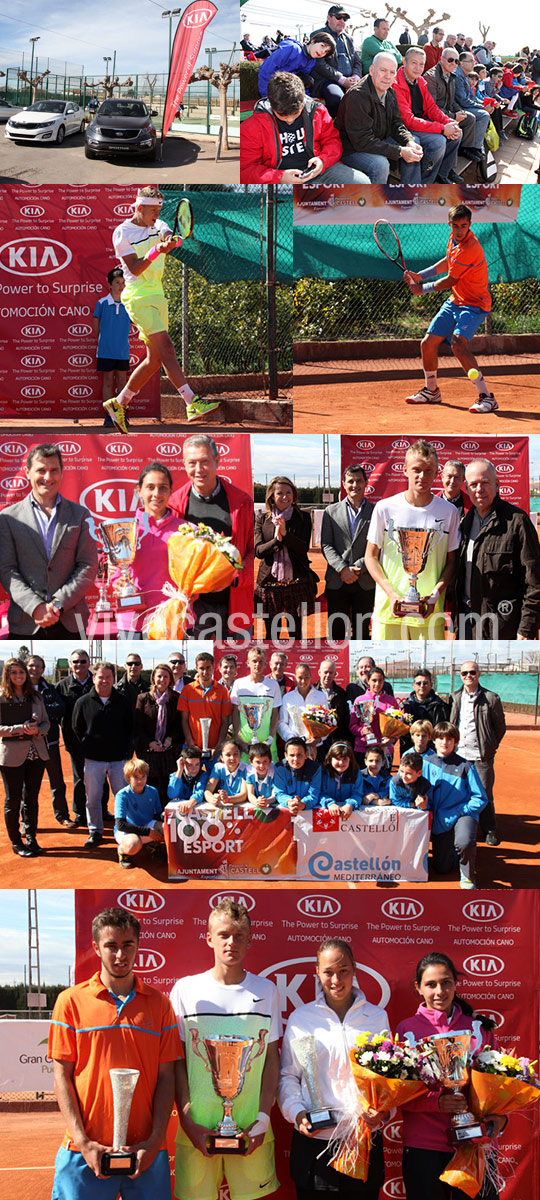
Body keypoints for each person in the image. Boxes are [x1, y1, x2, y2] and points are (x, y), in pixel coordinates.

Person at [48, 905, 181, 1199]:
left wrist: (155, 1139)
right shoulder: (69, 1002)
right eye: (111, 946)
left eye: (127, 945)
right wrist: (83, 1142)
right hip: (83, 1152)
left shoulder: (160, 1004)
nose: (120, 955)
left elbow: (166, 1077)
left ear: (137, 946)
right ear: (96, 947)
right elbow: (62, 1076)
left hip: (146, 1152)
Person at [171, 899, 281, 1200]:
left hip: (250, 1129)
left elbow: (272, 1060)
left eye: (239, 935)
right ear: (209, 938)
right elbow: (177, 1060)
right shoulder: (185, 990)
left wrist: (263, 1118)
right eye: (223, 935)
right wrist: (187, 1117)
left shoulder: (267, 990)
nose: (231, 942)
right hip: (195, 1129)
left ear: (249, 940)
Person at [278, 937, 389, 1200]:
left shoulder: (376, 1017)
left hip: (363, 1139)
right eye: (328, 972)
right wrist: (297, 1113)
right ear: (317, 972)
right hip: (315, 1144)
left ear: (354, 970)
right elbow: (288, 1076)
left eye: (343, 971)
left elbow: (388, 1077)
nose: (336, 980)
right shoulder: (301, 1018)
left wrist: (384, 1112)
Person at [106, 185, 219, 430]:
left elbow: (167, 233)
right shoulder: (122, 232)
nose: (157, 214)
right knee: (167, 346)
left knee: (155, 359)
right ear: (139, 207)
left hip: (158, 295)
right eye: (153, 209)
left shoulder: (158, 224)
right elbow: (135, 268)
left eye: (159, 208)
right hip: (137, 296)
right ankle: (191, 401)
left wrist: (170, 240)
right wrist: (157, 250)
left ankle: (120, 402)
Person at [396, 951, 503, 1200]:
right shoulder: (407, 1030)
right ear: (418, 988)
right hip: (425, 1147)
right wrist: (436, 1102)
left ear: (456, 983)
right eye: (430, 984)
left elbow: (499, 1084)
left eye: (446, 983)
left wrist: (499, 1117)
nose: (439, 991)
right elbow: (397, 1093)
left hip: (476, 1144)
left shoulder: (479, 1028)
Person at [365, 440, 460, 640]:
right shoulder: (384, 508)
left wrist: (435, 593)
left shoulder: (449, 512)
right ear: (406, 470)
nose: (422, 476)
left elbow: (452, 561)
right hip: (388, 610)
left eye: (428, 470)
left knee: (429, 669)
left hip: (429, 612)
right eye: (417, 469)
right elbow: (370, 557)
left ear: (437, 474)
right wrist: (391, 593)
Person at [404, 206, 495, 412]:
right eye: (455, 226)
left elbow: (451, 279)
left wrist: (422, 288)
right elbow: (447, 262)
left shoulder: (470, 247)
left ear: (470, 225)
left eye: (464, 226)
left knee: (458, 345)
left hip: (474, 304)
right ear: (450, 225)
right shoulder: (453, 240)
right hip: (456, 300)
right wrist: (420, 275)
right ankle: (431, 391)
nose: (460, 230)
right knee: (427, 344)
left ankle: (487, 397)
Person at [0, 443, 97, 638]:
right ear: (27, 472)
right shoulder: (8, 517)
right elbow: (7, 569)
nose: (47, 477)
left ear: (62, 473)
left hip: (70, 621)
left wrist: (58, 603)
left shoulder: (79, 515)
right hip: (26, 621)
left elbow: (88, 565)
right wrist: (35, 606)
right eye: (41, 470)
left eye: (54, 470)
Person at [169, 435, 254, 640]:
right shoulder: (174, 504)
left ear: (217, 461)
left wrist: (234, 579)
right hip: (194, 609)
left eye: (205, 461)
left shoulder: (242, 502)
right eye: (192, 463)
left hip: (235, 605)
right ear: (184, 465)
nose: (198, 470)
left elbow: (254, 551)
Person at [455, 458, 540, 640]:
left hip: (503, 624)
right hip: (467, 623)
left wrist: (526, 628)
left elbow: (534, 580)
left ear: (497, 484)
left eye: (485, 483)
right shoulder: (464, 524)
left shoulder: (517, 522)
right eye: (474, 484)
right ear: (467, 489)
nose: (479, 489)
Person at [241, 72, 370, 185]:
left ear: (303, 101)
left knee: (362, 182)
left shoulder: (318, 111)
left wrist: (322, 161)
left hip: (319, 172)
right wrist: (278, 177)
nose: (290, 120)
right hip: (277, 179)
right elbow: (245, 169)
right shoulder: (251, 127)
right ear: (271, 104)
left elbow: (332, 141)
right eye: (282, 116)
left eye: (295, 114)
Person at [114, 461, 180, 637]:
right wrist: (118, 584)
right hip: (132, 621)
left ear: (170, 491)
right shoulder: (124, 531)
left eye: (163, 488)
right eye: (150, 487)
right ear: (139, 490)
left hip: (171, 621)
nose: (156, 494)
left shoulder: (187, 530)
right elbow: (115, 575)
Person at [335, 53, 424, 184]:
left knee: (414, 143)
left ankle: (410, 193)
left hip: (377, 138)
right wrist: (399, 151)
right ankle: (375, 201)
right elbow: (362, 141)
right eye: (383, 70)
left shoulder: (390, 91)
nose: (388, 77)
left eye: (392, 72)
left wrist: (408, 141)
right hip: (351, 148)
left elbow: (397, 123)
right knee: (380, 165)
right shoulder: (357, 96)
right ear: (371, 70)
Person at [72, 662, 133, 850]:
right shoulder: (83, 702)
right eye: (101, 677)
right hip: (93, 761)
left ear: (113, 679)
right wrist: (89, 748)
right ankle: (95, 831)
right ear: (93, 678)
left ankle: (124, 830)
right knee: (93, 798)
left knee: (122, 797)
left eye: (108, 677)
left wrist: (126, 753)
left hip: (118, 760)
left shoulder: (122, 701)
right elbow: (77, 728)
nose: (104, 680)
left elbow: (130, 728)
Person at [423, 721, 487, 888]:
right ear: (434, 740)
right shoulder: (425, 763)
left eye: (450, 739)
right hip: (439, 820)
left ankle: (468, 874)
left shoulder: (466, 766)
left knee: (464, 842)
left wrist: (461, 811)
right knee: (442, 868)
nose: (445, 742)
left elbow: (480, 798)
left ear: (455, 742)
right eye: (441, 738)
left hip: (461, 815)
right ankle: (455, 852)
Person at [255, 474, 317, 640]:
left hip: (296, 583)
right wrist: (277, 540)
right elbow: (258, 551)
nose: (285, 497)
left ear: (294, 495)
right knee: (272, 634)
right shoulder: (262, 519)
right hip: (269, 584)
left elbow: (303, 548)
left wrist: (285, 534)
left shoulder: (303, 517)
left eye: (288, 492)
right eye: (280, 493)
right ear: (272, 497)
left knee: (295, 634)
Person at [450, 661, 506, 845]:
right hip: (459, 755)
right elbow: (452, 722)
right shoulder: (455, 697)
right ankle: (461, 828)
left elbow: (500, 728)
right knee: (459, 791)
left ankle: (489, 829)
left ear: (479, 674)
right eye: (464, 672)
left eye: (472, 672)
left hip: (482, 757)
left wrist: (490, 746)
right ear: (460, 675)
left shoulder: (491, 698)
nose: (468, 676)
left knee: (484, 794)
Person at [0, 657, 50, 857]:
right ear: (7, 675)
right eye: (13, 672)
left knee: (31, 799)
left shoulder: (36, 697)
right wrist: (20, 729)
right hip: (11, 756)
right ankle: (16, 842)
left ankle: (31, 837)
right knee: (13, 800)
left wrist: (38, 730)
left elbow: (46, 723)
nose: (18, 676)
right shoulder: (2, 698)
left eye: (21, 672)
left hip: (35, 754)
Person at [321, 464, 376, 640]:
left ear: (366, 483)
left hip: (365, 580)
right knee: (336, 633)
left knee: (362, 633)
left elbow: (378, 545)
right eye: (350, 481)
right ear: (344, 484)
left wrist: (359, 567)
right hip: (337, 580)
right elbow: (326, 545)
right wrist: (343, 569)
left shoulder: (377, 511)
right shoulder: (331, 511)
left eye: (359, 480)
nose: (355, 485)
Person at [393, 48, 463, 184]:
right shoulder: (396, 84)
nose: (418, 68)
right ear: (404, 61)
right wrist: (443, 129)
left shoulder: (420, 81)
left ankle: (439, 174)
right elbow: (408, 120)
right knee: (438, 141)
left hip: (420, 122)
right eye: (414, 63)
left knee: (457, 133)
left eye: (421, 64)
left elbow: (431, 108)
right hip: (403, 127)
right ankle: (420, 183)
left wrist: (449, 122)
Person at [27, 653, 73, 828]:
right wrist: (45, 714)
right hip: (27, 746)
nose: (35, 669)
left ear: (43, 669)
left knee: (57, 782)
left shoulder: (50, 689)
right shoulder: (19, 689)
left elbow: (60, 708)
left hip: (50, 743)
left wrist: (40, 711)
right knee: (29, 786)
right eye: (32, 665)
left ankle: (62, 816)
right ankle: (27, 823)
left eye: (39, 666)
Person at [57, 650, 96, 828]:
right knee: (80, 777)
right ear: (70, 664)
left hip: (97, 741)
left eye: (82, 661)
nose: (79, 665)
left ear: (89, 662)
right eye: (75, 662)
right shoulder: (62, 686)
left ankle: (101, 810)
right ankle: (80, 813)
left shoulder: (98, 682)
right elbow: (58, 714)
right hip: (75, 742)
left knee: (98, 777)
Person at [135, 664, 181, 808]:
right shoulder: (143, 698)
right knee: (149, 787)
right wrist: (150, 743)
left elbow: (178, 725)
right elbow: (138, 726)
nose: (162, 679)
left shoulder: (176, 698)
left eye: (166, 676)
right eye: (159, 676)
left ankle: (165, 819)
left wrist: (169, 739)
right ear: (153, 678)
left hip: (168, 752)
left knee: (166, 788)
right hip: (148, 752)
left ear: (170, 679)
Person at [93, 267, 131, 426]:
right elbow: (96, 327)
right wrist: (105, 342)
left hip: (123, 352)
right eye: (117, 283)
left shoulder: (129, 303)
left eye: (123, 283)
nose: (120, 286)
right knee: (108, 382)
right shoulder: (102, 303)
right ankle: (109, 416)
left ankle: (121, 415)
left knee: (122, 382)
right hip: (105, 351)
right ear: (109, 284)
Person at [424, 49, 478, 160]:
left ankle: (465, 149)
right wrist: (453, 117)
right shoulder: (431, 77)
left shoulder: (451, 76)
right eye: (450, 60)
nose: (453, 63)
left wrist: (458, 111)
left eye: (456, 61)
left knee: (470, 118)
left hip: (447, 113)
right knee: (456, 131)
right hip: (433, 116)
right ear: (441, 59)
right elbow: (432, 108)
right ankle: (446, 169)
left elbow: (452, 100)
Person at [309, 6, 363, 117]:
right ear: (328, 18)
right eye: (339, 17)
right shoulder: (318, 35)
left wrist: (355, 77)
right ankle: (335, 128)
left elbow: (357, 61)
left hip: (351, 80)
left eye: (345, 19)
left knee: (369, 95)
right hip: (327, 80)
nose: (342, 21)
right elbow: (319, 64)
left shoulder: (349, 38)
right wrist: (342, 80)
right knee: (337, 99)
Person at [178, 651, 232, 759]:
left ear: (213, 668)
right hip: (192, 749)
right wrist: (191, 745)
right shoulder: (187, 690)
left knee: (215, 776)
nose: (205, 672)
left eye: (208, 668)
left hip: (214, 750)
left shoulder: (222, 691)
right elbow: (184, 720)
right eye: (202, 668)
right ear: (196, 668)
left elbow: (225, 721)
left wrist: (218, 746)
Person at [231, 647, 282, 759]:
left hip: (267, 745)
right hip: (244, 745)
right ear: (248, 663)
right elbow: (235, 713)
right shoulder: (239, 684)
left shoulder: (273, 685)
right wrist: (239, 739)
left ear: (265, 664)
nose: (257, 665)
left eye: (261, 662)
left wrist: (270, 738)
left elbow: (275, 715)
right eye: (254, 661)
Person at [114, 757, 164, 868]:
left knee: (168, 829)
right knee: (133, 845)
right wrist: (149, 833)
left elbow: (157, 815)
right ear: (128, 778)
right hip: (127, 830)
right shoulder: (122, 795)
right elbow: (121, 825)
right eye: (136, 777)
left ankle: (150, 843)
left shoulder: (153, 791)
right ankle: (123, 850)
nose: (140, 781)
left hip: (146, 825)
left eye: (143, 776)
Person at [257, 32, 336, 97]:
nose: (322, 52)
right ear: (312, 41)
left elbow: (302, 83)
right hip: (274, 89)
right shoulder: (292, 49)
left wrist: (305, 98)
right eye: (322, 46)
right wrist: (266, 96)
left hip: (288, 92)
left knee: (309, 80)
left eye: (326, 52)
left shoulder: (312, 62)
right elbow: (266, 70)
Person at [348, 665, 396, 765]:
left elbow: (398, 726)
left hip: (385, 749)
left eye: (380, 680)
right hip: (363, 748)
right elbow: (352, 726)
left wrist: (393, 739)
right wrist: (362, 731)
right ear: (368, 681)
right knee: (363, 779)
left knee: (384, 779)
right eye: (374, 680)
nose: (377, 684)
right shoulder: (360, 700)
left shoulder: (391, 701)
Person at [454, 52, 493, 160]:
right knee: (483, 115)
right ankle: (471, 147)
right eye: (471, 61)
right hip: (457, 107)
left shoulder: (464, 75)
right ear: (461, 63)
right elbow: (463, 100)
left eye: (473, 60)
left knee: (486, 113)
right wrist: (482, 107)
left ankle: (475, 147)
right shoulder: (457, 76)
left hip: (464, 105)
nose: (474, 63)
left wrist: (483, 103)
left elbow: (471, 95)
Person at [278, 663, 327, 747]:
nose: (303, 681)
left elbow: (327, 721)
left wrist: (319, 738)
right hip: (294, 746)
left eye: (306, 677)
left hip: (316, 746)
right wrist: (291, 738)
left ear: (311, 677)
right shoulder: (287, 697)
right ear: (295, 678)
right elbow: (282, 722)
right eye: (300, 678)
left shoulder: (320, 696)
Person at [401, 669, 449, 753]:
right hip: (410, 751)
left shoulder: (440, 706)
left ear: (431, 685)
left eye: (425, 683)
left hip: (433, 752)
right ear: (413, 685)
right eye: (418, 683)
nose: (422, 686)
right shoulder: (405, 706)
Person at [274, 737, 322, 812]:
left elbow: (314, 794)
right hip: (288, 807)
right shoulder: (279, 768)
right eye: (292, 755)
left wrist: (303, 804)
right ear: (286, 755)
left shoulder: (315, 769)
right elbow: (279, 792)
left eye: (299, 755)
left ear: (306, 754)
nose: (296, 759)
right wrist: (289, 802)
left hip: (306, 809)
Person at [316, 658, 351, 760]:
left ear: (335, 674)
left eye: (331, 673)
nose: (327, 675)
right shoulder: (312, 691)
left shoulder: (341, 693)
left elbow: (345, 720)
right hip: (318, 741)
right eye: (325, 672)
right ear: (319, 672)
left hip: (335, 740)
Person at [319, 742, 364, 815]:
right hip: (330, 812)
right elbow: (320, 793)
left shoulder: (356, 773)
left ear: (350, 760)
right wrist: (330, 803)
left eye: (345, 759)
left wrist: (350, 804)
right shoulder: (323, 773)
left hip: (348, 812)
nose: (341, 763)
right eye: (337, 759)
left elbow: (358, 793)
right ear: (330, 759)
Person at [204, 739, 249, 806]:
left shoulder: (246, 768)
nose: (232, 758)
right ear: (221, 757)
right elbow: (208, 790)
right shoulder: (218, 768)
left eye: (235, 754)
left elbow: (244, 795)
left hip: (241, 805)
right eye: (228, 755)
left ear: (240, 755)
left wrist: (228, 799)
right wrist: (212, 799)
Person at [167, 747, 208, 813]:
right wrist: (180, 770)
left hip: (196, 808)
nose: (194, 769)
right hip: (180, 808)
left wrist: (190, 803)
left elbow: (200, 792)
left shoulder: (203, 775)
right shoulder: (175, 775)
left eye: (197, 764)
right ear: (183, 763)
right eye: (190, 765)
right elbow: (172, 794)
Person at [115, 653, 146, 723]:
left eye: (137, 663)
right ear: (125, 666)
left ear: (141, 666)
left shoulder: (149, 689)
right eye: (130, 664)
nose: (133, 666)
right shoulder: (115, 689)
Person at [246, 742, 277, 808]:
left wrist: (266, 801)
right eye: (258, 762)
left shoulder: (275, 770)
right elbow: (250, 794)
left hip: (270, 803)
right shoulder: (249, 772)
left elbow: (275, 795)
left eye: (265, 761)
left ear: (270, 760)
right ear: (251, 762)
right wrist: (256, 802)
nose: (261, 766)